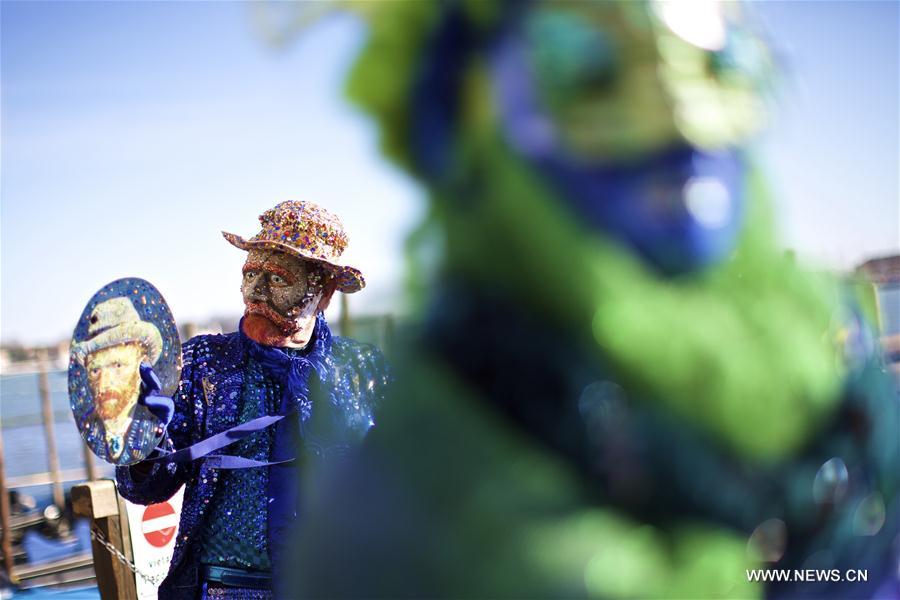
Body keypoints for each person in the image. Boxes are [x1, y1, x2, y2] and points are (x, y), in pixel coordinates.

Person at [287, 2, 899, 598]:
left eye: (719, 59)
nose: (682, 124)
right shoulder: (420, 489)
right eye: (589, 66)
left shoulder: (818, 365)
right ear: (462, 115)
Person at [115, 200, 389, 599]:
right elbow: (145, 489)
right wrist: (143, 436)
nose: (256, 294)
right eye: (250, 275)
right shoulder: (201, 364)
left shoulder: (364, 372)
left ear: (324, 292)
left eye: (277, 279)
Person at [72, 297, 164, 462]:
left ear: (142, 364)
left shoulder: (154, 424)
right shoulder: (92, 429)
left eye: (118, 366)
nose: (104, 383)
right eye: (95, 370)